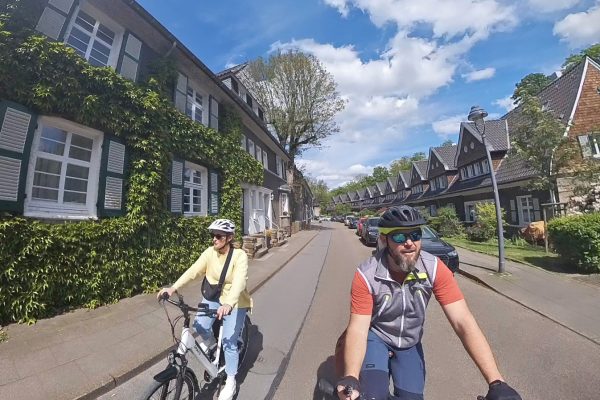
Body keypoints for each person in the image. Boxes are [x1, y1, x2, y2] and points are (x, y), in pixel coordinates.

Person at [335, 205, 522, 400]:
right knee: (372, 395)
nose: (410, 243)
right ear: (384, 240)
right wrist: (351, 376)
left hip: (409, 341)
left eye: (415, 235)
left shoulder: (433, 268)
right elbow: (358, 329)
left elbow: (463, 321)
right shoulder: (366, 275)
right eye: (399, 237)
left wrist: (496, 382)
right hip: (376, 337)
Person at [157, 219, 251, 400]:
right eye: (212, 236)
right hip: (214, 297)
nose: (214, 239)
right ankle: (214, 347)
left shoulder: (239, 256)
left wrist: (229, 303)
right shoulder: (210, 253)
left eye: (218, 236)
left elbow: (240, 281)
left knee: (230, 342)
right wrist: (173, 288)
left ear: (229, 238)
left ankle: (230, 380)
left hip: (234, 301)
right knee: (199, 327)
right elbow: (193, 270)